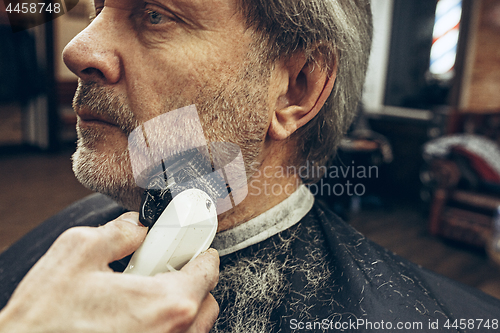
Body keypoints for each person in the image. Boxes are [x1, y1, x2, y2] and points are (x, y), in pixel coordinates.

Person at [1, 0, 500, 332]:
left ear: (297, 86)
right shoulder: (71, 238)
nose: (77, 48)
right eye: (97, 7)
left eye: (155, 14)